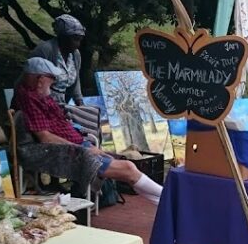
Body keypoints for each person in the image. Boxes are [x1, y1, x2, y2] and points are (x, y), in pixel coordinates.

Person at [12, 58, 163, 203]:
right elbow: (45, 137)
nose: (53, 82)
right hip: (69, 151)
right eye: (51, 78)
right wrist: (83, 148)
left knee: (126, 167)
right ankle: (166, 197)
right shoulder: (31, 99)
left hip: (78, 146)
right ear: (40, 79)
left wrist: (86, 145)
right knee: (128, 168)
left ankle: (163, 200)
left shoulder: (40, 96)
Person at [30, 14, 85, 105]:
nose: (78, 44)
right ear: (63, 37)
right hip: (40, 105)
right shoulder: (45, 51)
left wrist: (80, 103)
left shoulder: (75, 54)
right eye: (75, 39)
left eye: (80, 40)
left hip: (61, 106)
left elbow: (76, 80)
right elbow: (30, 83)